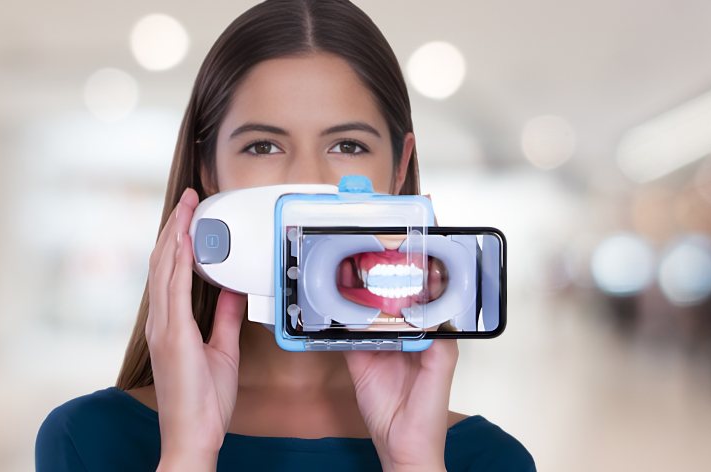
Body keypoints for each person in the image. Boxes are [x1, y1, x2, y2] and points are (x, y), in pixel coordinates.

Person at [36, 1, 536, 470]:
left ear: (400, 169)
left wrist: (414, 462)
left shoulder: (486, 459)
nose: (309, 184)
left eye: (347, 144)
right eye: (262, 146)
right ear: (209, 172)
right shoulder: (89, 439)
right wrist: (188, 451)